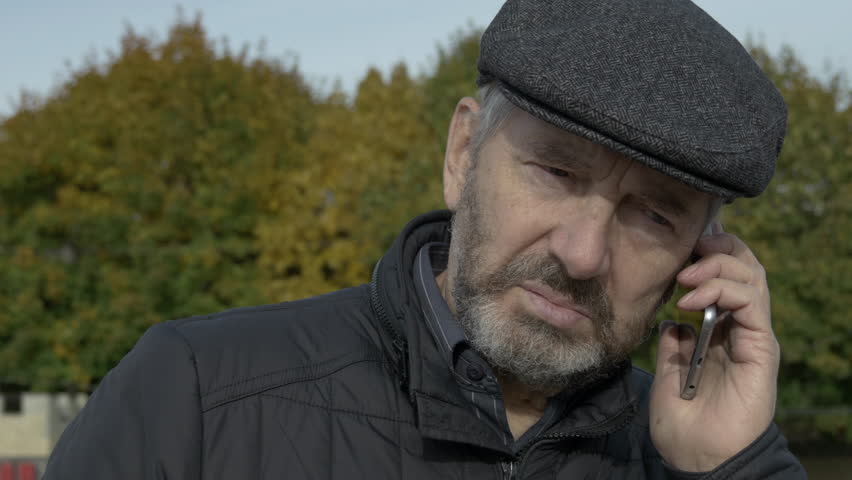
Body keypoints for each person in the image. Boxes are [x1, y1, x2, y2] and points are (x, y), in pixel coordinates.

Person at [45, 0, 806, 478]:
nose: (582, 253)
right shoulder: (199, 396)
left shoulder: (682, 457)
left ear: (700, 259)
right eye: (554, 172)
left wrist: (732, 466)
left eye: (654, 216)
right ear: (462, 154)